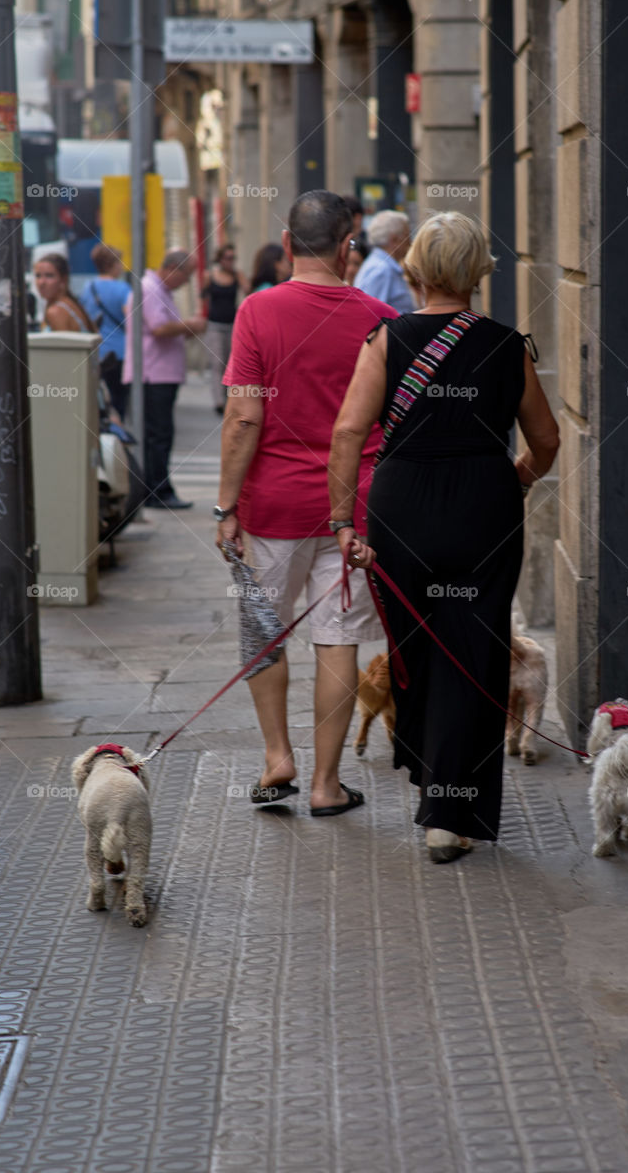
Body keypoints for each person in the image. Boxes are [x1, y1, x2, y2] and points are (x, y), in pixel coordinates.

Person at [328, 212, 560, 863]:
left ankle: (433, 784)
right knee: (475, 651)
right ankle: (449, 813)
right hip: (484, 509)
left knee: (418, 647)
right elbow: (545, 440)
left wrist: (343, 522)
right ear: (479, 272)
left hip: (401, 511)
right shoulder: (505, 345)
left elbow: (348, 433)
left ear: (415, 270)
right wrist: (516, 476)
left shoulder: (386, 339)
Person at [215, 190, 397, 816]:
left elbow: (243, 418)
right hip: (355, 506)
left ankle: (276, 759)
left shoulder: (257, 312)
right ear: (349, 248)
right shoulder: (380, 317)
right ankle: (325, 783)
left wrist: (225, 506)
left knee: (264, 633)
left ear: (288, 244)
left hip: (273, 505)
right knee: (338, 637)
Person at [123, 248, 207, 510]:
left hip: (160, 374)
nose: (187, 282)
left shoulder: (161, 291)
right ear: (173, 268)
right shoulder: (150, 288)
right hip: (152, 374)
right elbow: (159, 328)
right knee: (158, 435)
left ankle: (158, 486)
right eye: (187, 275)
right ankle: (156, 489)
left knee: (159, 434)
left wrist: (186, 329)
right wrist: (191, 325)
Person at [80, 243, 132, 418]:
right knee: (119, 400)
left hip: (97, 350)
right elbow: (131, 320)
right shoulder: (123, 289)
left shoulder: (88, 287)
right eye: (119, 262)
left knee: (99, 399)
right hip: (119, 351)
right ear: (113, 264)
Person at [201, 244, 247, 415]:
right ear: (220, 259)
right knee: (217, 363)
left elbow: (248, 291)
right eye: (228, 258)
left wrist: (240, 277)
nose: (230, 261)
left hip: (232, 325)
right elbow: (203, 297)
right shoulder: (210, 275)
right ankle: (219, 401)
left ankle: (229, 398)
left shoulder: (236, 276)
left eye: (233, 258)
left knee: (231, 364)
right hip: (214, 325)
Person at [353, 209, 415, 312]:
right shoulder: (381, 269)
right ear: (394, 240)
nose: (411, 242)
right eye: (407, 236)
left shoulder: (382, 266)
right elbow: (371, 315)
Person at [35, 254, 99, 336]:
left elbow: (61, 347)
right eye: (38, 276)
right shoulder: (68, 302)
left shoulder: (56, 311)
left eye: (49, 276)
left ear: (63, 279)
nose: (41, 282)